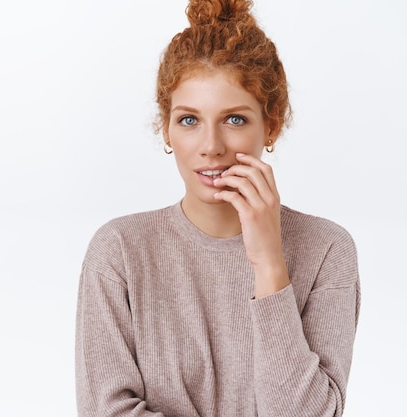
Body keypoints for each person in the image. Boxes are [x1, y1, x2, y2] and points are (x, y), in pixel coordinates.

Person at [74, 0, 361, 416]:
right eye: (189, 120)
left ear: (272, 126)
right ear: (167, 128)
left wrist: (269, 264)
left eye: (235, 120)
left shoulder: (328, 250)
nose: (211, 147)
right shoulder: (118, 251)